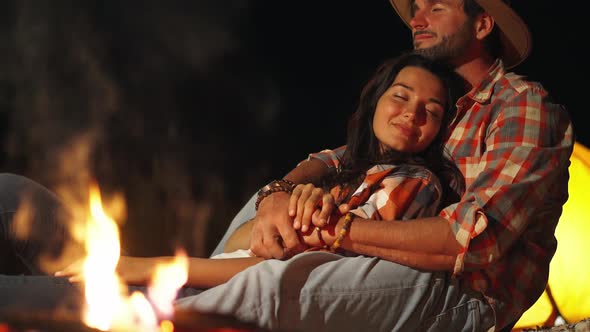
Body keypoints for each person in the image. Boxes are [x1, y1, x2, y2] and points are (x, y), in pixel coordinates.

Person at [0, 53, 463, 318]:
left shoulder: (414, 182)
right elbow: (314, 170)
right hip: (186, 280)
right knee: (14, 193)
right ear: (376, 100)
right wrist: (284, 193)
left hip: (191, 302)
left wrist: (139, 266)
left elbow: (280, 275)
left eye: (433, 110)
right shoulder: (347, 168)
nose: (413, 113)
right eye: (401, 96)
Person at [205, 0, 574, 331]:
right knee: (264, 206)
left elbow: (475, 238)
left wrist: (335, 227)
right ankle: (168, 294)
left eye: (437, 7)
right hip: (395, 261)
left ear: (482, 25)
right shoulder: (441, 106)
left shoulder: (521, 106)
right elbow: (340, 157)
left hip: (466, 291)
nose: (417, 19)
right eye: (415, 7)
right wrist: (277, 194)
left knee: (271, 288)